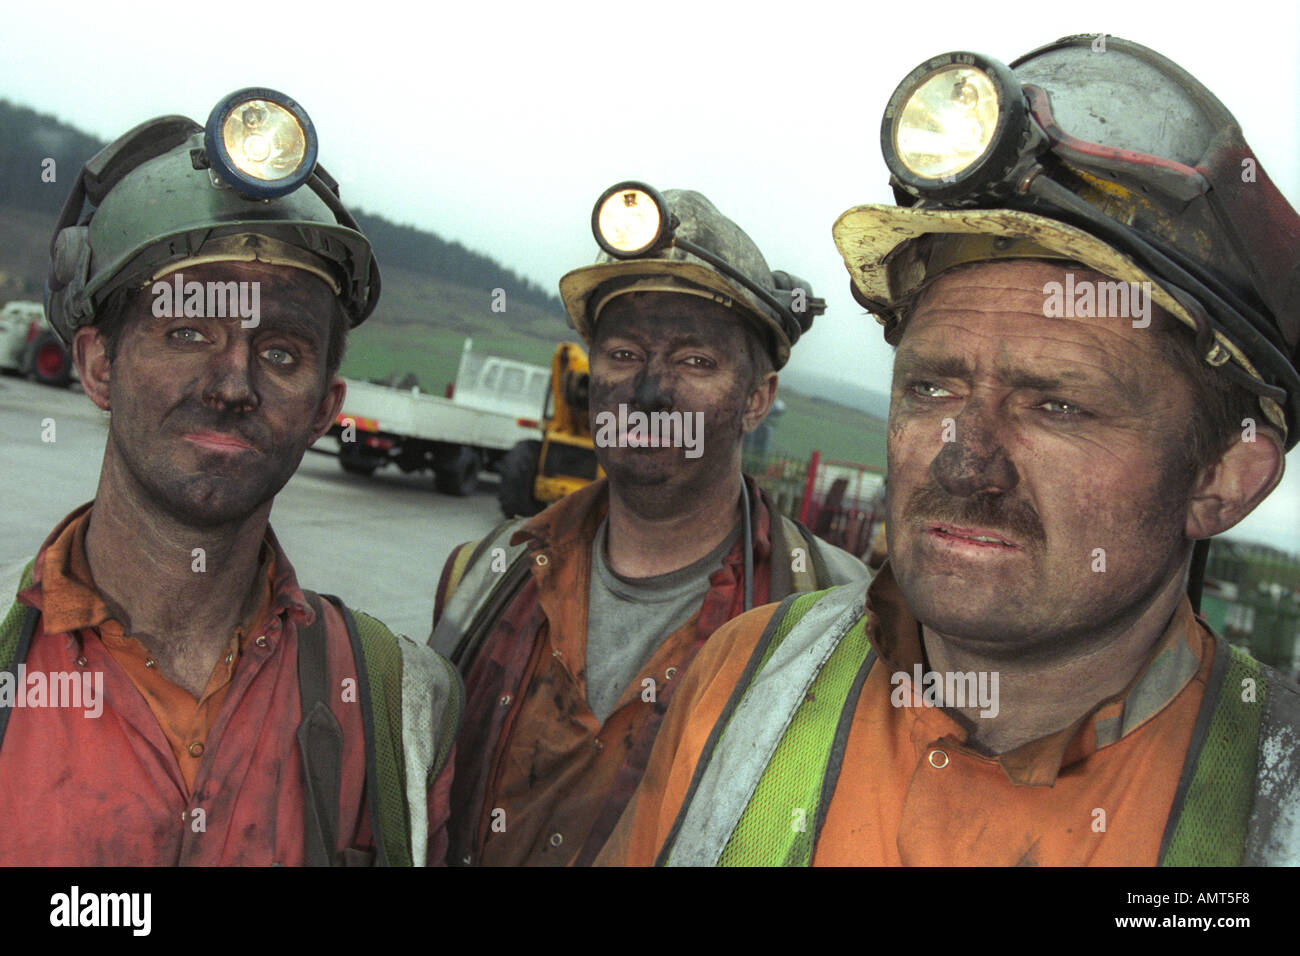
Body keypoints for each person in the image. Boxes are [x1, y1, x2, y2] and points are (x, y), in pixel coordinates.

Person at [598, 36, 1300, 866]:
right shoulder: (746, 677)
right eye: (932, 388)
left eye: (1059, 405)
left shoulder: (1273, 801)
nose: (965, 463)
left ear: (1224, 479)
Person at [0, 89, 460, 866]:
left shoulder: (400, 702)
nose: (232, 383)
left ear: (324, 408)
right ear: (98, 364)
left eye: (281, 352)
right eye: (186, 331)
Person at [429, 184, 869, 865]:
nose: (651, 392)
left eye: (696, 362)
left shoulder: (840, 617)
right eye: (625, 354)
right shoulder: (481, 577)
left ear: (757, 399)